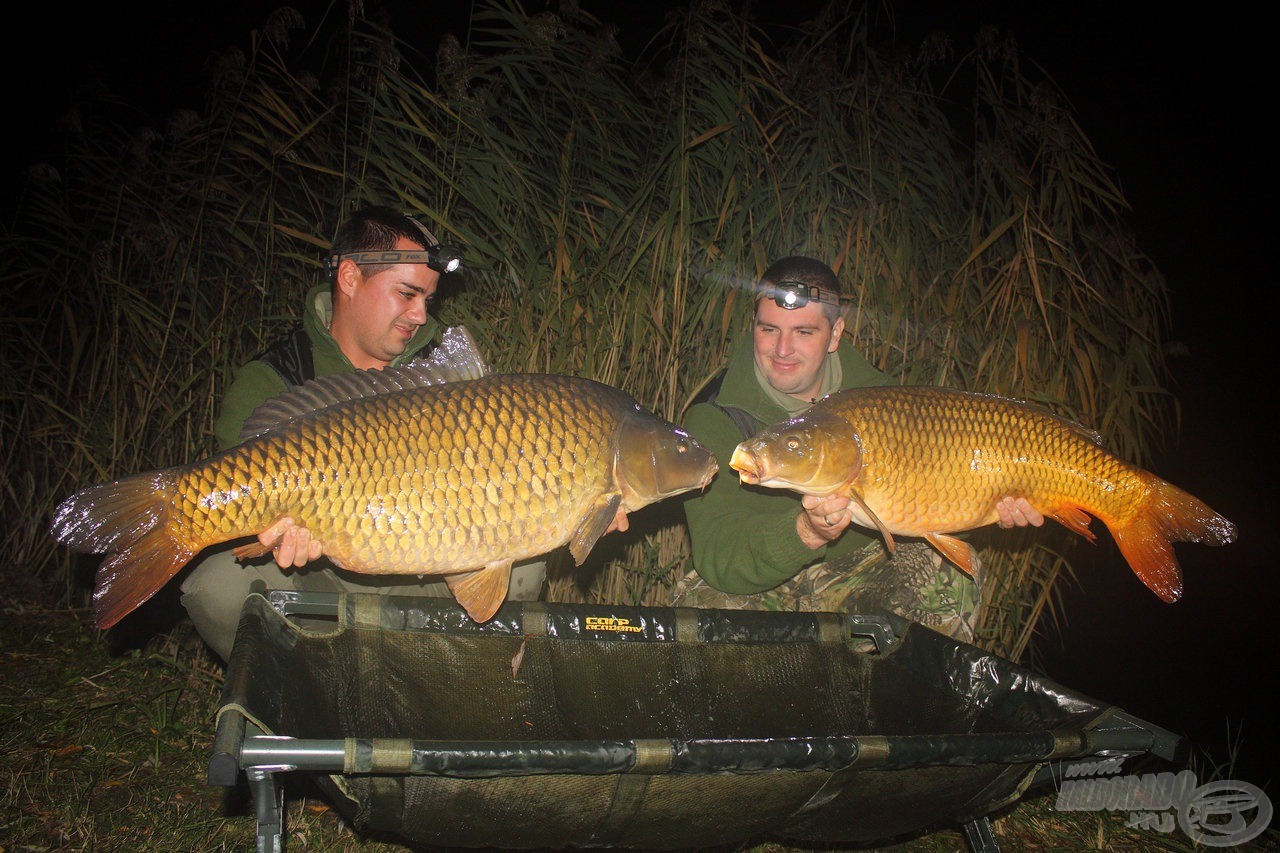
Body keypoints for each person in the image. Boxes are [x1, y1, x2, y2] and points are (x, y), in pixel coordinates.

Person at [180, 206, 559, 661]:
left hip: (430, 574)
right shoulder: (275, 378)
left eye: (428, 300)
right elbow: (242, 500)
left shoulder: (446, 373)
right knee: (217, 585)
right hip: (324, 582)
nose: (421, 315)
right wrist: (277, 533)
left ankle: (457, 690)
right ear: (349, 278)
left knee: (525, 563)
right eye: (407, 294)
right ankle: (306, 703)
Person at [677, 256, 1042, 640]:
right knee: (698, 617)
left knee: (946, 580)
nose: (782, 349)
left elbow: (937, 496)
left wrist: (996, 500)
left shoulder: (887, 403)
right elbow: (718, 556)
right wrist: (807, 531)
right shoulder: (714, 417)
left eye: (803, 332)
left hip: (857, 571)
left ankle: (883, 696)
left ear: (835, 334)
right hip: (761, 579)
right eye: (769, 329)